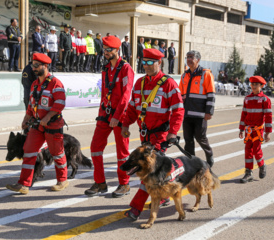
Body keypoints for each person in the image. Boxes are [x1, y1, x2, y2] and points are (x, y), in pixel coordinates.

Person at [121, 48, 184, 220]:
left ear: (159, 63)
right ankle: (163, 196)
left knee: (148, 171)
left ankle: (135, 208)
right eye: (144, 62)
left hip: (161, 137)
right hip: (145, 136)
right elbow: (133, 108)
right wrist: (125, 123)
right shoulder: (140, 83)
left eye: (150, 63)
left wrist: (173, 132)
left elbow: (178, 110)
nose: (146, 66)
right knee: (157, 171)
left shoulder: (169, 84)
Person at [6, 53, 68, 194]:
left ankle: (62, 180)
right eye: (32, 65)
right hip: (37, 126)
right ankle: (24, 184)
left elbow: (60, 103)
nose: (33, 68)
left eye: (36, 65)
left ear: (45, 66)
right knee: (28, 151)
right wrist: (26, 118)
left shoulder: (55, 83)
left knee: (57, 153)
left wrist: (49, 116)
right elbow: (31, 105)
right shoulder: (34, 84)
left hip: (52, 126)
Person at [84, 35, 134, 198]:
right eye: (104, 50)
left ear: (117, 50)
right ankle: (100, 183)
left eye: (109, 50)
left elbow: (126, 95)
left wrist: (117, 117)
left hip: (120, 117)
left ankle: (124, 184)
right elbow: (105, 93)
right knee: (95, 148)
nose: (105, 52)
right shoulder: (105, 69)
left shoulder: (126, 68)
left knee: (122, 152)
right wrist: (101, 114)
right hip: (105, 115)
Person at [179, 50, 215, 167]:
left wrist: (209, 111)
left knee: (200, 138)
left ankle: (209, 156)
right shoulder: (184, 75)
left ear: (198, 59)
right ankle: (191, 162)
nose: (189, 59)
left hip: (200, 114)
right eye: (187, 57)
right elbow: (181, 95)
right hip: (187, 114)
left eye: (191, 57)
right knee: (188, 140)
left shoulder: (206, 74)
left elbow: (211, 94)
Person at [239, 76, 272, 183]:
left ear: (261, 86)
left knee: (256, 150)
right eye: (252, 84)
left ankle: (261, 165)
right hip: (249, 130)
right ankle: (248, 172)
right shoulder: (247, 99)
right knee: (248, 150)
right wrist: (241, 129)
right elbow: (243, 114)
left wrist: (267, 133)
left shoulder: (265, 99)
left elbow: (268, 116)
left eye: (256, 84)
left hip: (258, 130)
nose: (253, 86)